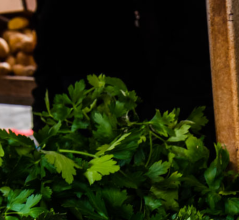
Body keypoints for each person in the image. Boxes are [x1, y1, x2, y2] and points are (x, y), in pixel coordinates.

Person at [31, 0, 216, 141]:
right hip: (80, 124)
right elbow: (48, 50)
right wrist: (43, 123)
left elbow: (194, 52)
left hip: (169, 124)